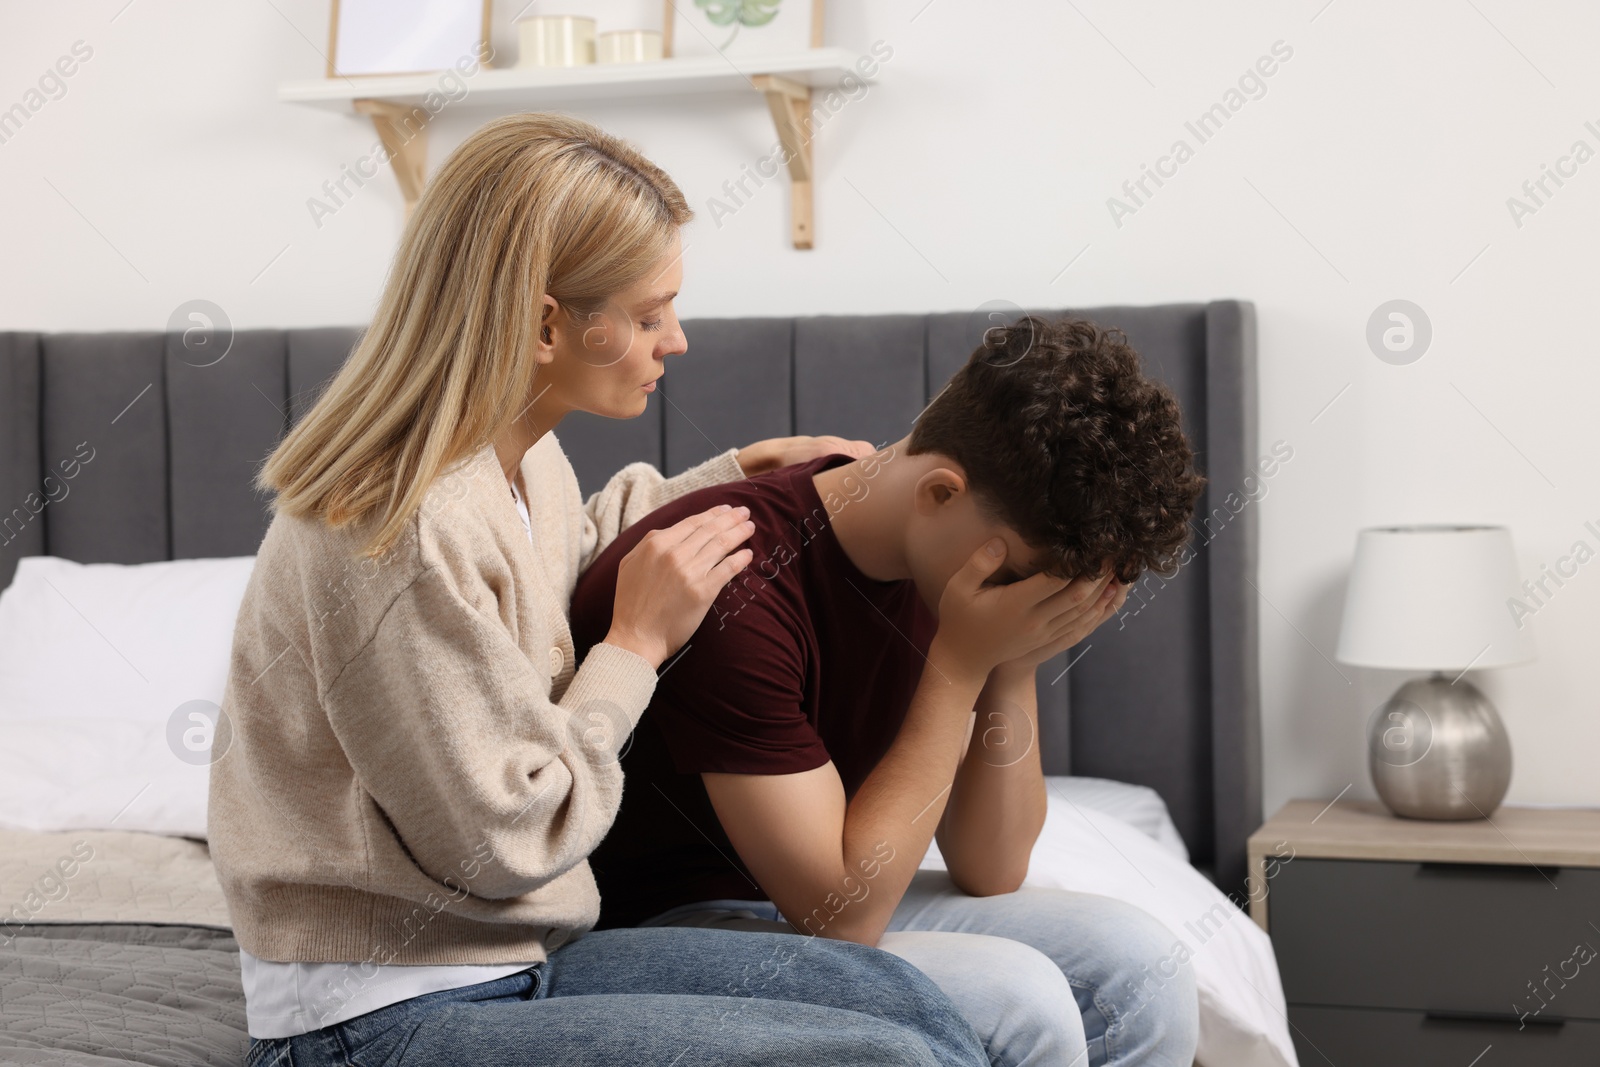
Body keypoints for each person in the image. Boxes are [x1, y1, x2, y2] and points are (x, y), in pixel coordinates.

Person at [208, 112, 990, 1067]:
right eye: (652, 311)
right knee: (884, 1059)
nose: (678, 339)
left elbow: (560, 550)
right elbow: (507, 838)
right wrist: (633, 651)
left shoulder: (517, 459)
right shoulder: (393, 525)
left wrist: (731, 475)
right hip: (377, 1010)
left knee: (897, 998)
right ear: (548, 324)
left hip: (520, 953)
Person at [571, 315, 1210, 1067]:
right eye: (1016, 580)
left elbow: (991, 866)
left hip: (808, 897)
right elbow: (841, 916)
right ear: (940, 492)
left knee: (1140, 965)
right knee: (1022, 997)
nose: (1015, 602)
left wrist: (1013, 654)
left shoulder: (946, 562)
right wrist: (958, 664)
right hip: (666, 922)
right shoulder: (737, 587)